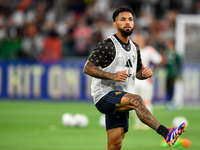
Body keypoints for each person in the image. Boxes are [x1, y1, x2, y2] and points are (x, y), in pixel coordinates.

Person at [83, 6, 186, 150]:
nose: (127, 22)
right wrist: (112, 76)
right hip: (104, 95)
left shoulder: (134, 48)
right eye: (123, 19)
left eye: (130, 19)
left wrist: (144, 74)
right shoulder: (107, 45)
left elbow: (137, 72)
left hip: (122, 96)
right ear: (115, 24)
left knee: (116, 144)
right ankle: (167, 133)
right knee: (137, 100)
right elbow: (88, 68)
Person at [131, 33, 162, 130]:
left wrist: (152, 71)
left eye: (138, 40)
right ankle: (137, 123)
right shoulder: (131, 51)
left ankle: (148, 123)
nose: (137, 42)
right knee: (134, 102)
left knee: (146, 101)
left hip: (145, 82)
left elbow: (159, 60)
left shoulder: (149, 50)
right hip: (133, 81)